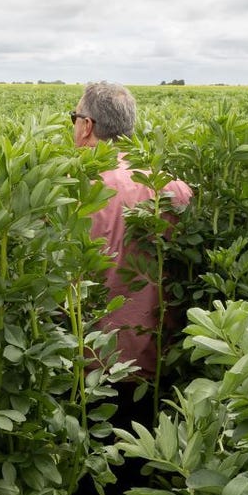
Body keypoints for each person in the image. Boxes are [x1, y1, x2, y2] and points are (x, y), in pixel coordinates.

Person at [71, 82, 193, 381]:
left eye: (74, 117)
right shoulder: (174, 190)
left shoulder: (70, 192)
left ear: (87, 126)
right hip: (157, 364)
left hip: (85, 369)